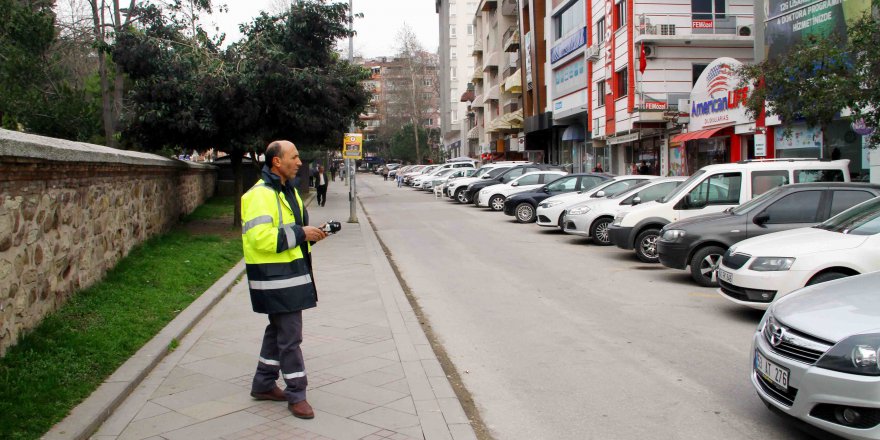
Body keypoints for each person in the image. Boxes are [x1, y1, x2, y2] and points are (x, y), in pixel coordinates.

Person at [240, 140, 328, 420]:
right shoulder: (259, 195)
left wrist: (310, 233)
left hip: (289, 276)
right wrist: (302, 234)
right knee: (291, 337)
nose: (300, 162)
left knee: (276, 331)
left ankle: (264, 384)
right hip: (274, 279)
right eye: (294, 157)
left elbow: (293, 231)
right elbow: (261, 238)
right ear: (276, 162)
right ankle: (297, 395)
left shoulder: (287, 191)